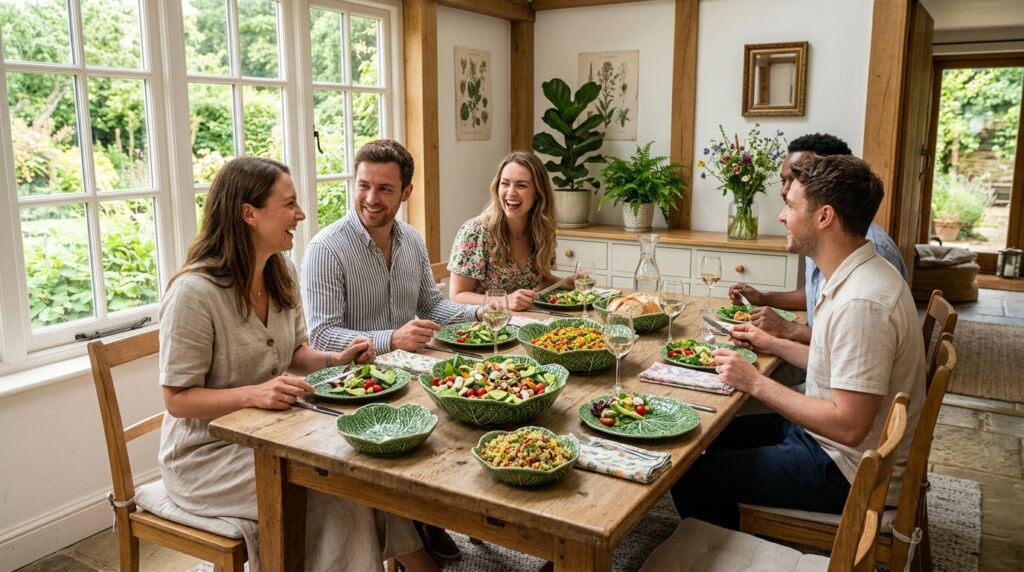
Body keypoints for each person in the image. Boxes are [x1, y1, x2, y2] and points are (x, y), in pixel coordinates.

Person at [158, 157, 437, 571]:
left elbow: (294, 354)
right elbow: (176, 399)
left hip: (274, 433)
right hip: (209, 457)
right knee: (335, 493)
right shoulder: (194, 293)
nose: (301, 214)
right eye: (289, 204)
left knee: (363, 461)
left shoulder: (279, 271)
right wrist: (255, 393)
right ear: (249, 214)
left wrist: (334, 359)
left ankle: (419, 565)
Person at [670, 154, 925, 530]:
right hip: (831, 443)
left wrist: (754, 381)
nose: (782, 216)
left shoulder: (862, 303)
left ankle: (727, 550)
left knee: (688, 477)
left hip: (848, 470)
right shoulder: (855, 274)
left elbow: (849, 426)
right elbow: (833, 364)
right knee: (701, 435)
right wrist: (769, 341)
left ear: (824, 217)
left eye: (791, 205)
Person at [301, 138, 477, 560]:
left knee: (465, 415)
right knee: (443, 421)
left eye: (384, 189)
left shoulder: (411, 240)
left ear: (406, 192)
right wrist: (390, 339)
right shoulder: (325, 249)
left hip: (409, 374)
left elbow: (432, 306)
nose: (371, 199)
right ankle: (416, 524)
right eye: (363, 186)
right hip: (354, 387)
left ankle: (428, 515)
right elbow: (323, 335)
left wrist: (488, 313)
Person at [727, 133, 908, 344]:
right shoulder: (821, 237)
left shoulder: (871, 266)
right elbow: (816, 294)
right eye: (784, 180)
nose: (784, 191)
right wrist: (765, 299)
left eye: (797, 179)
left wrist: (787, 331)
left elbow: (850, 337)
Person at [447, 151, 563, 310]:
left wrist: (564, 282)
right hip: (479, 328)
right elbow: (457, 295)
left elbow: (540, 280)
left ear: (538, 193)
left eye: (521, 185)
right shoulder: (475, 232)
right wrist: (505, 300)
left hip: (523, 323)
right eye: (505, 183)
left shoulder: (541, 230)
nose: (511, 192)